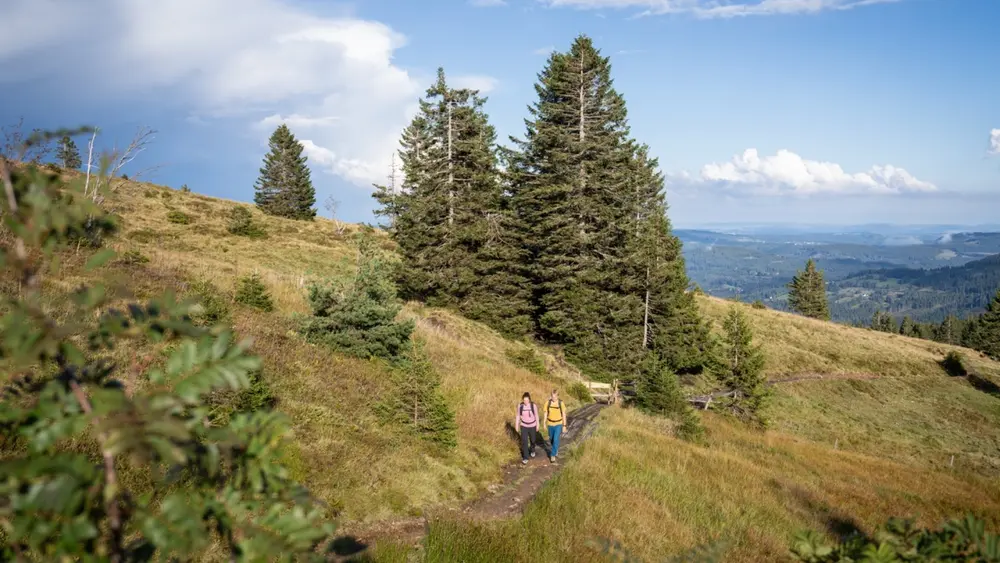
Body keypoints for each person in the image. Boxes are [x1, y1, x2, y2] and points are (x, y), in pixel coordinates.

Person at [515, 392, 539, 464]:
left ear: (529, 400)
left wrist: (537, 425)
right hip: (524, 426)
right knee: (524, 441)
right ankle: (525, 457)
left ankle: (532, 449)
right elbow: (518, 416)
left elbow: (537, 416)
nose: (525, 402)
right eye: (524, 400)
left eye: (527, 400)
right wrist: (517, 425)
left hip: (532, 425)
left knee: (533, 440)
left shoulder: (533, 406)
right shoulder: (520, 406)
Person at [544, 389, 566, 463]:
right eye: (552, 397)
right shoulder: (548, 403)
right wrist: (544, 423)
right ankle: (555, 449)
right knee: (552, 440)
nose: (553, 398)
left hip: (558, 424)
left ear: (558, 396)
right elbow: (545, 413)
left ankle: (552, 455)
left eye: (555, 397)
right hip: (550, 424)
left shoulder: (561, 403)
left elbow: (564, 414)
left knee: (556, 439)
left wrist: (564, 425)